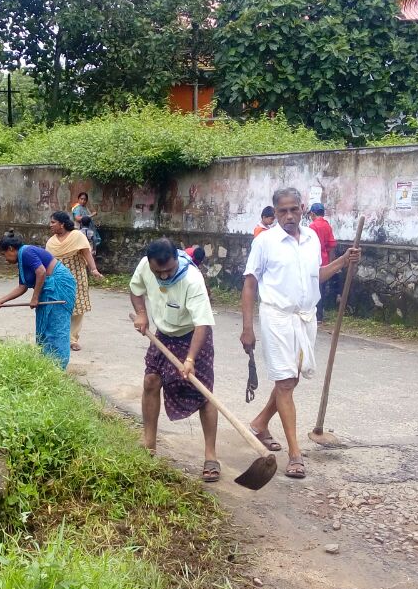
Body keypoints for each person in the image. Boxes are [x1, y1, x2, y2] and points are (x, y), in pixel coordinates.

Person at [242, 188, 360, 479]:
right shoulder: (264, 241)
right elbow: (249, 284)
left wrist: (343, 261)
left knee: (291, 380)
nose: (289, 216)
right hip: (277, 317)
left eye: (293, 209)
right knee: (285, 383)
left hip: (306, 318)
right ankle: (295, 454)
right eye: (282, 211)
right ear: (275, 212)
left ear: (302, 209)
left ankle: (259, 424)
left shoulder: (311, 238)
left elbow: (315, 276)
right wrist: (247, 328)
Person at [130, 239, 220, 481]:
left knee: (204, 393)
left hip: (193, 335)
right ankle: (149, 444)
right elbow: (135, 289)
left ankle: (211, 456)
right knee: (151, 380)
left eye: (168, 270)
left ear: (176, 260)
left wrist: (190, 359)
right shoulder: (145, 266)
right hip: (163, 334)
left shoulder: (192, 279)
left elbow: (202, 324)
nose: (163, 276)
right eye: (157, 271)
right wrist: (141, 314)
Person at [0, 232, 76, 369]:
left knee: (56, 327)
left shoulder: (26, 252)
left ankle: (59, 366)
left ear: (11, 249)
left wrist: (35, 297)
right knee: (45, 327)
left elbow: (41, 272)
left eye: (4, 254)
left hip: (58, 286)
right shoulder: (22, 259)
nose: (5, 259)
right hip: (48, 288)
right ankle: (47, 364)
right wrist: (1, 301)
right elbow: (22, 287)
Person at [45, 211, 104, 352]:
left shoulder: (77, 236)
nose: (50, 225)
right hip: (58, 278)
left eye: (53, 222)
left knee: (78, 307)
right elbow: (47, 261)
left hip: (77, 276)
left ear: (62, 224)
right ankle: (61, 337)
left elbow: (86, 253)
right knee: (59, 306)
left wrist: (94, 269)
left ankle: (73, 339)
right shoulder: (51, 242)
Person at [308, 202, 338, 320]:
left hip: (314, 260)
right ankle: (320, 314)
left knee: (314, 287)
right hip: (325, 260)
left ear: (313, 214)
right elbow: (332, 245)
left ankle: (316, 314)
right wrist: (331, 263)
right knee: (322, 287)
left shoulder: (312, 227)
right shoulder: (327, 226)